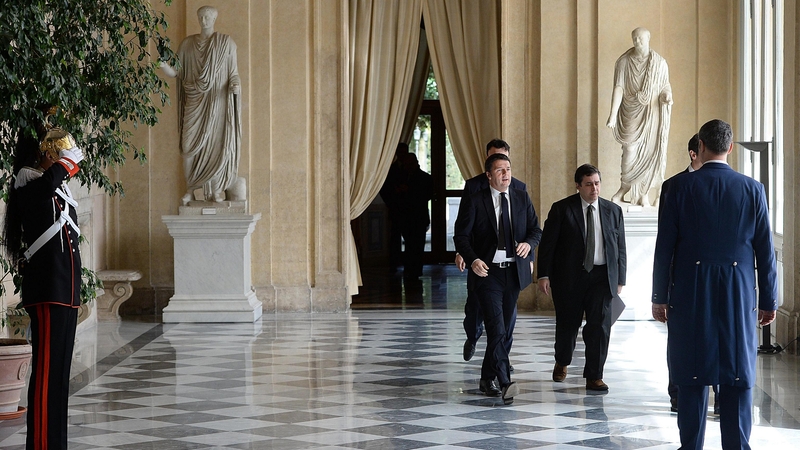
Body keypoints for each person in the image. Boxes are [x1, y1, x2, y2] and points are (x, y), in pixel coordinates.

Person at [652, 119, 777, 450]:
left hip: (690, 292)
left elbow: (664, 247)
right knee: (736, 373)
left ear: (701, 147)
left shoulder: (676, 187)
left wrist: (658, 296)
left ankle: (690, 445)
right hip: (737, 293)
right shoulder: (752, 189)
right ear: (731, 148)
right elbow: (765, 252)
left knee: (691, 373)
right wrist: (770, 302)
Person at [2, 110, 84, 450]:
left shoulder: (51, 186)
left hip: (64, 289)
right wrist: (69, 160)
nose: (54, 154)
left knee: (59, 375)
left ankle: (56, 444)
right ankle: (40, 445)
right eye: (49, 147)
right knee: (47, 374)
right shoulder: (28, 183)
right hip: (48, 289)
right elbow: (48, 185)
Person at [453, 153, 542, 405]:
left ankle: (485, 378)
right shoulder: (475, 200)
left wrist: (528, 244)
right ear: (489, 175)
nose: (506, 174)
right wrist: (473, 259)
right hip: (487, 273)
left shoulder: (521, 198)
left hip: (513, 273)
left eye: (508, 169)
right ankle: (505, 382)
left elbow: (536, 230)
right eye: (500, 170)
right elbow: (461, 236)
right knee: (496, 327)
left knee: (504, 331)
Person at [537, 164, 627, 391]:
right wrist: (543, 275)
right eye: (588, 184)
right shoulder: (561, 209)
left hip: (601, 277)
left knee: (599, 327)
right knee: (568, 324)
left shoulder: (613, 211)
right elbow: (548, 245)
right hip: (569, 277)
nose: (594, 188)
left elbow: (621, 247)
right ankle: (562, 360)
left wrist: (620, 279)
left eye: (597, 183)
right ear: (578, 186)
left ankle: (594, 375)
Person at [160, 5, 241, 205]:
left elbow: (234, 73)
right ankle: (191, 188)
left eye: (207, 17)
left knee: (215, 147)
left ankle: (215, 190)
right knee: (188, 147)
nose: (204, 21)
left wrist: (236, 84)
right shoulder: (187, 45)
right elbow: (177, 72)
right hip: (195, 101)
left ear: (214, 19)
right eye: (201, 17)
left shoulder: (226, 44)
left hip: (217, 103)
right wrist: (163, 66)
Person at [456, 139, 526, 364]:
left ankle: (501, 362)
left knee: (505, 321)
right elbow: (463, 227)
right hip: (480, 260)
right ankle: (473, 335)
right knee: (475, 307)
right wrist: (465, 254)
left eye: (506, 162)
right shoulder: (474, 187)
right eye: (495, 162)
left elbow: (527, 227)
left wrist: (529, 256)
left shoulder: (519, 189)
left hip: (509, 266)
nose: (503, 171)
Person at [665, 133, 719, 414]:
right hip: (684, 280)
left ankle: (719, 392)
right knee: (681, 339)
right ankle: (678, 392)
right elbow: (666, 244)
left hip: (719, 280)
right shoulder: (674, 186)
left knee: (719, 335)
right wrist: (660, 293)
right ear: (694, 153)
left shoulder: (729, 185)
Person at [606, 27, 672, 207]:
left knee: (650, 152)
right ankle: (624, 189)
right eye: (634, 38)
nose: (637, 42)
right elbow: (618, 88)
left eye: (641, 39)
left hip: (652, 115)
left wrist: (666, 96)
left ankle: (643, 194)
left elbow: (665, 86)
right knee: (629, 151)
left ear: (649, 38)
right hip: (630, 113)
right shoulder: (624, 62)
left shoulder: (659, 63)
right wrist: (612, 115)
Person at [393, 152, 433, 279]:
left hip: (418, 217)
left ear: (415, 163)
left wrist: (409, 191)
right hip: (404, 216)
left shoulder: (425, 178)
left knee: (418, 245)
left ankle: (416, 270)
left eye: (410, 163)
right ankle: (408, 268)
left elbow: (428, 195)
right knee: (409, 244)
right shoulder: (401, 177)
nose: (407, 166)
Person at [380, 143, 411, 273]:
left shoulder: (412, 169)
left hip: (411, 211)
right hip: (396, 209)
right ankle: (394, 264)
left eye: (405, 152)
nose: (402, 155)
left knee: (410, 239)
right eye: (400, 152)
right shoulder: (391, 169)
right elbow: (384, 189)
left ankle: (409, 265)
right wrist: (393, 197)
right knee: (394, 238)